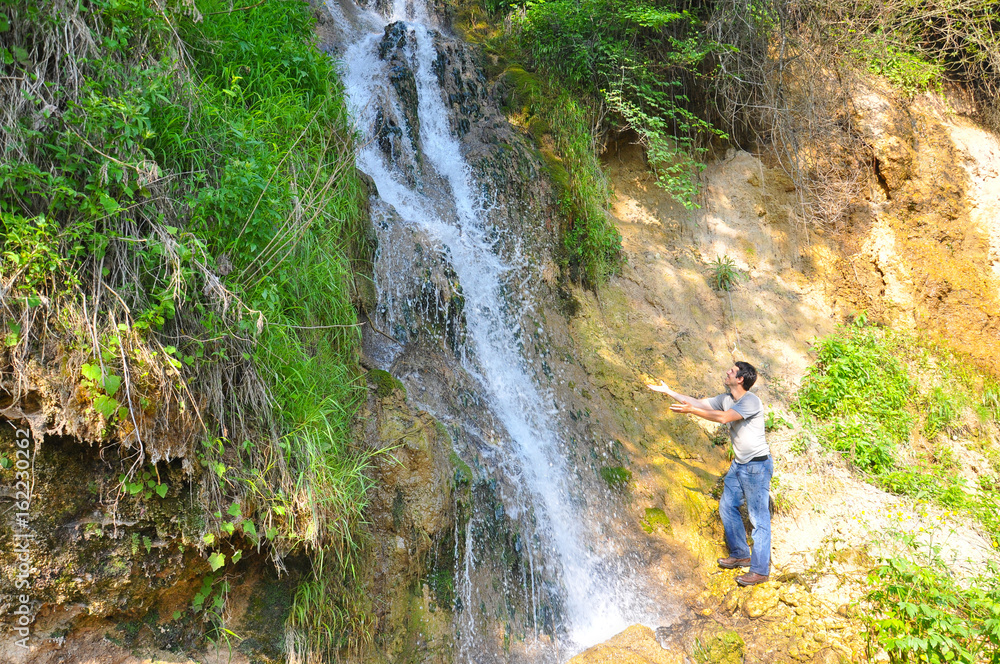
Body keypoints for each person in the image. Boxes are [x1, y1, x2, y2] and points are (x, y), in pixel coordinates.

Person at [647, 362, 772, 586]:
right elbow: (698, 402)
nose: (727, 372)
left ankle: (760, 571)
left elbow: (724, 418)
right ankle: (741, 554)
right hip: (740, 464)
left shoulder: (750, 401)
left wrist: (692, 411)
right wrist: (669, 391)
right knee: (727, 506)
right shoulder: (726, 399)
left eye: (732, 371)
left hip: (756, 466)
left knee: (758, 518)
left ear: (741, 379)